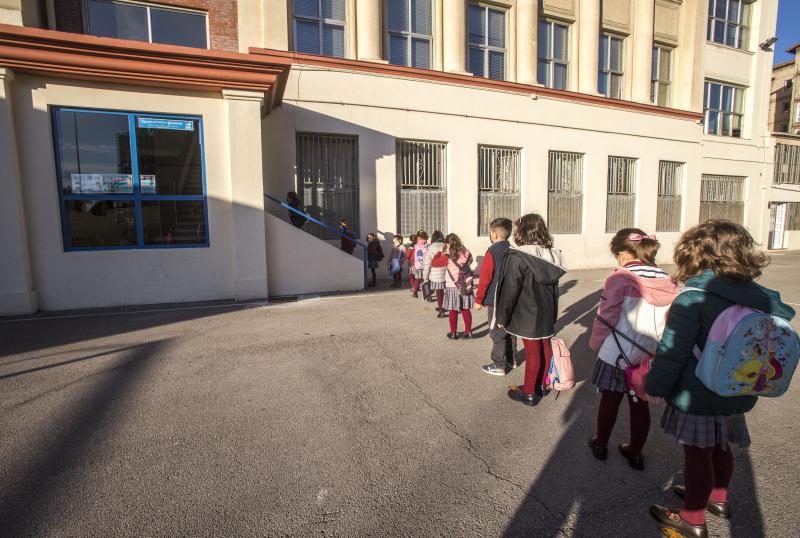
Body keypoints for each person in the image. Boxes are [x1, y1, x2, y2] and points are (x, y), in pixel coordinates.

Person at [645, 220, 795, 538]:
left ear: (695, 255)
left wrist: (654, 386)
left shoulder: (693, 299)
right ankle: (718, 499)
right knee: (721, 447)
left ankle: (692, 519)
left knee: (697, 454)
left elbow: (672, 353)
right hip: (736, 387)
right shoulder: (759, 297)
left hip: (697, 393)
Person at [587, 229, 679, 470]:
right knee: (640, 402)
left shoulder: (621, 277)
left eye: (617, 254)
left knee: (610, 398)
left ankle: (601, 443)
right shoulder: (668, 280)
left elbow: (605, 316)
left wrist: (595, 343)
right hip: (648, 352)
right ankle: (636, 451)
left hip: (616, 351)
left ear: (625, 254)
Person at [494, 214, 566, 406]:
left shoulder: (518, 256)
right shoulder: (551, 255)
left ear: (523, 231)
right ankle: (543, 384)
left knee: (533, 352)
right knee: (545, 347)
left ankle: (528, 393)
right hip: (546, 311)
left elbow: (509, 290)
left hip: (527, 313)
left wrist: (501, 316)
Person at [475, 218, 516, 376]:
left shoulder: (492, 252)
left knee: (496, 332)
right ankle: (511, 359)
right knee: (510, 330)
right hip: (511, 299)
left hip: (496, 300)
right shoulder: (513, 250)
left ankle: (499, 364)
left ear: (494, 234)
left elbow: (485, 278)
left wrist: (479, 299)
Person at [432, 233, 475, 339]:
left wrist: (440, 251)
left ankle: (453, 333)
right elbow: (470, 261)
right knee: (465, 309)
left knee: (453, 310)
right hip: (465, 284)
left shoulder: (447, 256)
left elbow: (434, 263)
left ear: (447, 244)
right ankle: (468, 332)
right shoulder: (467, 252)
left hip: (453, 286)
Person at [422, 231, 448, 317]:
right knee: (443, 292)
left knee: (438, 292)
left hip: (435, 275)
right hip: (446, 273)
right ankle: (443, 307)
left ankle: (441, 311)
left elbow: (427, 263)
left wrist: (425, 276)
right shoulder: (446, 245)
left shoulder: (430, 247)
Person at [411, 231, 429, 299]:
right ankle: (427, 294)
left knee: (417, 278)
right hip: (425, 264)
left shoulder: (415, 245)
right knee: (425, 279)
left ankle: (415, 291)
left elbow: (413, 256)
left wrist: (412, 264)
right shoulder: (427, 245)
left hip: (417, 265)